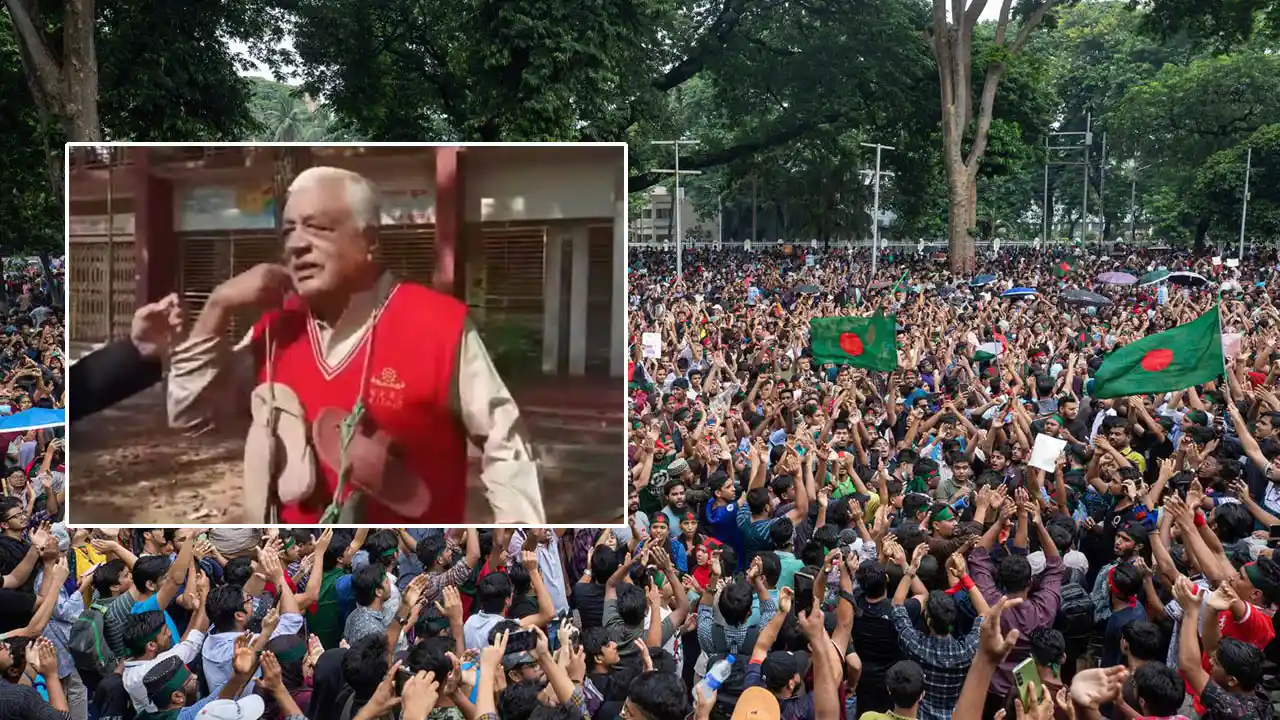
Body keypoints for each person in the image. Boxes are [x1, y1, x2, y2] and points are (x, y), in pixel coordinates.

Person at [166, 166, 544, 524]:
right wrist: (217, 305)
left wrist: (518, 543)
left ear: (370, 242)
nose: (296, 245)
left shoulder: (438, 325)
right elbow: (189, 416)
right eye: (288, 231)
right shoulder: (276, 329)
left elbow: (506, 446)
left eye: (318, 228)